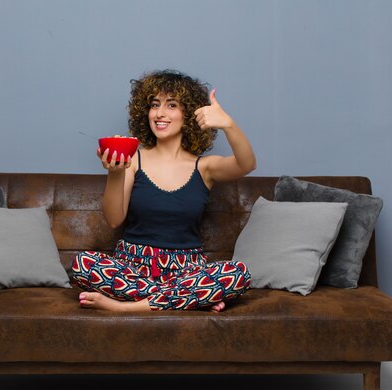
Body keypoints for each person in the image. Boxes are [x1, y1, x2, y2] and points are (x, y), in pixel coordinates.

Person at [71, 69, 256, 312]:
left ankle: (128, 308)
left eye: (171, 105)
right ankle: (191, 300)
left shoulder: (204, 167)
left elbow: (247, 164)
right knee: (82, 264)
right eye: (155, 105)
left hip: (188, 270)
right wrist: (116, 171)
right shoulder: (133, 160)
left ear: (188, 114)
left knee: (238, 273)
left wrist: (228, 124)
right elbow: (115, 220)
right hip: (133, 268)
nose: (160, 113)